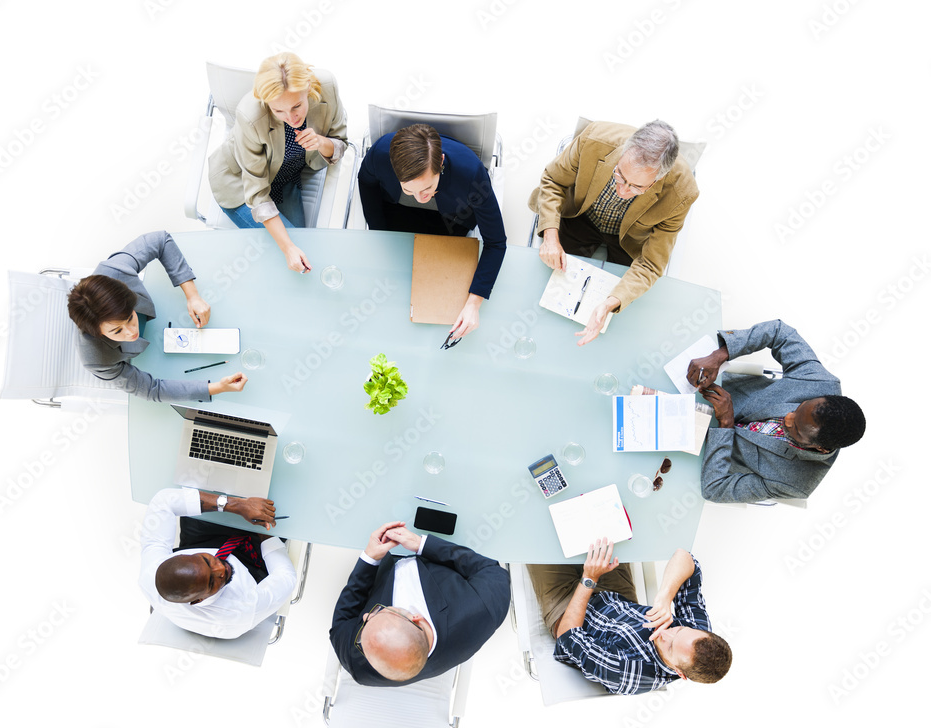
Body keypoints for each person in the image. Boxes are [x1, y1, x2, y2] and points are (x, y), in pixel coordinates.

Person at [529, 120, 698, 345]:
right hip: (579, 216)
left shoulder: (682, 193)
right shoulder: (594, 139)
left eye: (636, 187)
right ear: (624, 151)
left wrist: (610, 303)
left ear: (659, 179)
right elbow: (553, 180)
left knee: (620, 321)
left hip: (628, 239)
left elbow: (650, 264)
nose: (622, 191)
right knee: (545, 292)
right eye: (620, 175)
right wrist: (550, 237)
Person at [686, 320, 866, 503]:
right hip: (702, 388)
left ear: (819, 448)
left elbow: (715, 489)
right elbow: (779, 332)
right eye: (797, 409)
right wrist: (720, 355)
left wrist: (726, 424)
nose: (788, 418)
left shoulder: (796, 483)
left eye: (796, 427)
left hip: (695, 448)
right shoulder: (820, 383)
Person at [357, 124, 507, 338]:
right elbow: (366, 181)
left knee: (438, 300)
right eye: (409, 189)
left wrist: (474, 304)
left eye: (427, 188)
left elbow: (496, 243)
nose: (420, 198)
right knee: (386, 292)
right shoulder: (381, 153)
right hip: (397, 211)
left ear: (442, 162)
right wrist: (378, 231)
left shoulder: (471, 174)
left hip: (451, 221)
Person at [527, 540, 731, 695]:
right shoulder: (698, 635)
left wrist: (589, 578)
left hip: (569, 612)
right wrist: (664, 598)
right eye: (678, 630)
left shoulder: (631, 672)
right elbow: (686, 558)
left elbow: (568, 637)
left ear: (679, 673)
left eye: (669, 647)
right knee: (604, 529)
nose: (664, 634)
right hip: (617, 596)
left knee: (539, 541)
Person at [207, 52, 348, 273]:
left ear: (308, 87)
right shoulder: (250, 115)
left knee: (306, 253)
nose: (291, 118)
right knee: (291, 256)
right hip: (241, 186)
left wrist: (321, 142)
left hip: (286, 177)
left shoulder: (327, 86)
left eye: (296, 106)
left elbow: (340, 143)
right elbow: (257, 194)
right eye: (278, 110)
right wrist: (288, 247)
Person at [67, 231, 247, 402]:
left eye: (130, 317)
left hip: (168, 310)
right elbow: (153, 389)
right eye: (117, 330)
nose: (131, 332)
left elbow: (160, 240)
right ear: (98, 334)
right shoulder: (96, 360)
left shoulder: (114, 271)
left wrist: (192, 295)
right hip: (152, 357)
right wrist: (218, 388)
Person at [329, 521, 510, 687]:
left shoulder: (358, 665)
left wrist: (370, 558)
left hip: (383, 553)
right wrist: (421, 544)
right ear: (416, 619)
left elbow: (341, 623)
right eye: (378, 611)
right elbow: (489, 569)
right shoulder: (483, 611)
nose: (366, 616)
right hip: (447, 536)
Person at [138, 487, 296, 639]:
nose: (221, 568)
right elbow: (286, 576)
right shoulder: (243, 608)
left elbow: (163, 501)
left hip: (203, 542)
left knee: (206, 483)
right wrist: (261, 527)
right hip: (250, 560)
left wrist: (238, 505)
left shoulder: (151, 574)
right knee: (280, 499)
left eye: (207, 561)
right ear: (197, 600)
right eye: (212, 581)